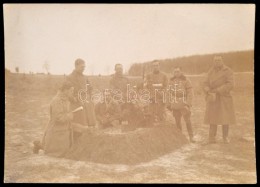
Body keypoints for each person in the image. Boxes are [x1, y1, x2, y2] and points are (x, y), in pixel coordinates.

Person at [33, 81, 89, 156]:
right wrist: (70, 115)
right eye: (71, 90)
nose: (72, 92)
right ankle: (39, 145)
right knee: (58, 152)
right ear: (65, 90)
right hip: (57, 129)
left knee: (82, 130)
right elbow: (58, 118)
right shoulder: (56, 101)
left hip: (64, 128)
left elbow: (67, 110)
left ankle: (42, 145)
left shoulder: (65, 99)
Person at [203, 55, 236, 144]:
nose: (217, 62)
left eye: (219, 60)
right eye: (215, 60)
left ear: (222, 61)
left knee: (225, 118)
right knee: (212, 117)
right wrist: (206, 88)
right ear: (213, 62)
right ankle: (211, 138)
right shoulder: (211, 71)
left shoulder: (228, 71)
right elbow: (205, 82)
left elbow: (230, 84)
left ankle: (225, 137)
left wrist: (218, 90)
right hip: (213, 97)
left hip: (224, 97)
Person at [66, 58, 97, 127]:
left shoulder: (85, 78)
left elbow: (90, 89)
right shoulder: (70, 77)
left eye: (84, 67)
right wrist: (74, 99)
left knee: (90, 123)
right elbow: (67, 92)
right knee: (79, 125)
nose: (83, 68)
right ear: (76, 66)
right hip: (76, 104)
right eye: (82, 67)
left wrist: (91, 99)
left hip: (87, 103)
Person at [168, 67, 195, 143]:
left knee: (187, 120)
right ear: (173, 73)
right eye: (175, 72)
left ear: (181, 72)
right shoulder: (171, 81)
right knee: (177, 121)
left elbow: (190, 93)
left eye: (178, 71)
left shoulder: (186, 80)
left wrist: (188, 104)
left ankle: (191, 136)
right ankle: (180, 138)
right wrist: (169, 104)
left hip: (184, 103)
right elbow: (168, 92)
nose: (176, 73)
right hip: (175, 103)